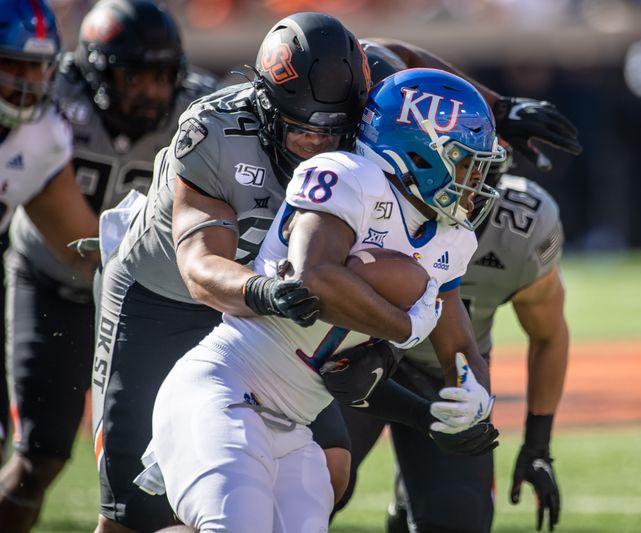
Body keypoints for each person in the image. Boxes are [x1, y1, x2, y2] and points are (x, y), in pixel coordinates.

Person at [142, 66, 504, 532]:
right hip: (225, 388)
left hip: (296, 425)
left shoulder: (451, 239)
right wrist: (407, 326)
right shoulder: (347, 175)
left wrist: (473, 397)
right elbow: (314, 276)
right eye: (463, 162)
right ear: (420, 152)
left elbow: (458, 346)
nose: (475, 180)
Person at [90, 12, 367, 533]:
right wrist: (264, 290)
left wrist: (499, 107)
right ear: (266, 106)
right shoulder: (215, 129)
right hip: (162, 298)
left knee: (329, 465)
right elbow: (199, 267)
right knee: (130, 515)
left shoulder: (363, 113)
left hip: (264, 308)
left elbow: (402, 58)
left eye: (333, 131)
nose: (317, 145)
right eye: (300, 129)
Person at [315, 45, 572, 533]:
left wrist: (537, 442)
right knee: (307, 494)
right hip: (347, 358)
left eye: (484, 170)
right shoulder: (345, 190)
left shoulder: (518, 225)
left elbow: (548, 332)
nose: (476, 189)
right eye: (463, 169)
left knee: (457, 519)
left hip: (441, 371)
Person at [0, 1, 217, 531]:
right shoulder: (52, 109)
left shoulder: (206, 114)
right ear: (95, 73)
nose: (152, 92)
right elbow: (71, 232)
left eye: (161, 76)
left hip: (143, 296)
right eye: (133, 76)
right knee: (40, 455)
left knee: (159, 458)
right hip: (53, 276)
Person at [0, 1, 101, 531]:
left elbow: (81, 244)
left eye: (38, 66)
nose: (29, 80)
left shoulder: (40, 137)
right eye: (13, 63)